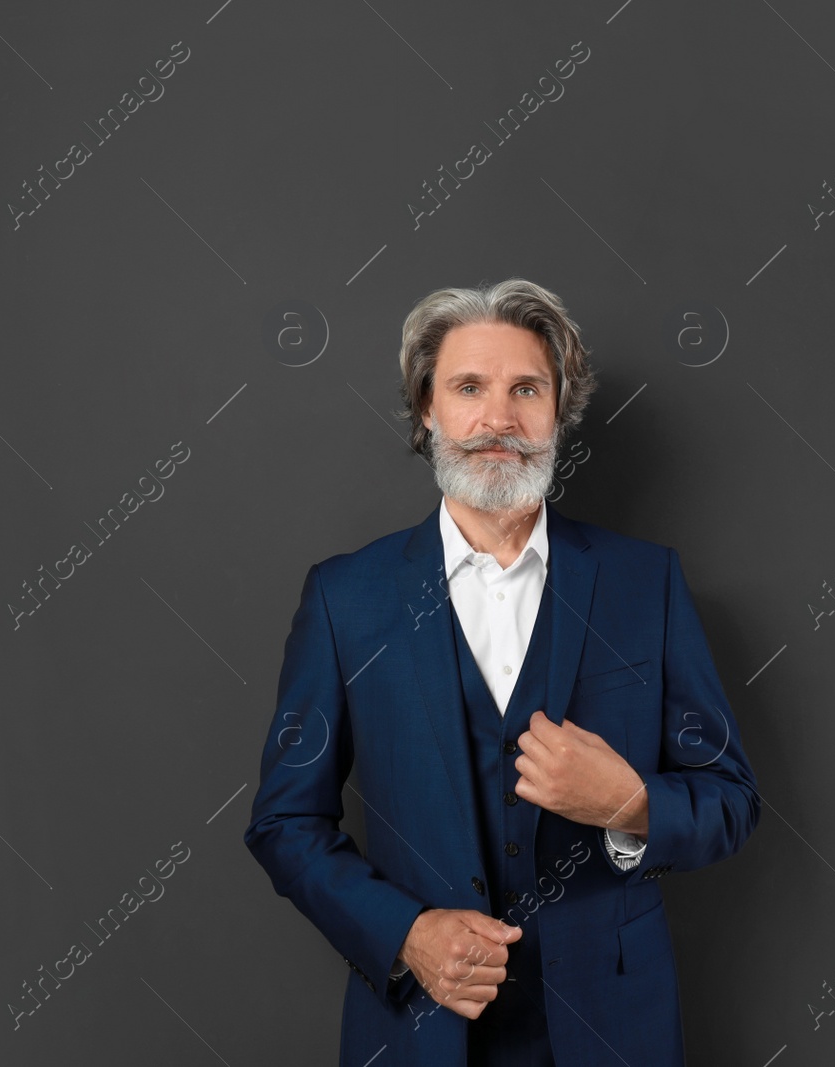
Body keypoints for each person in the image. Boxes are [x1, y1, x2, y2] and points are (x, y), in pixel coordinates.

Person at [244, 278, 760, 1066]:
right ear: (428, 409)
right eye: (468, 388)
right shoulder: (347, 600)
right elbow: (285, 822)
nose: (499, 419)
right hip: (419, 1025)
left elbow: (731, 798)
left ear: (559, 410)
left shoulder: (642, 584)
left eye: (527, 388)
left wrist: (627, 802)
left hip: (614, 1028)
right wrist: (407, 933)